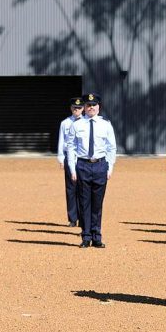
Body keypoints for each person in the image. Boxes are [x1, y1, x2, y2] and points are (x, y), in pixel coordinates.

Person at [66, 93, 117, 249]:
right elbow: (71, 147)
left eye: (94, 105)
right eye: (88, 106)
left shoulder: (106, 124)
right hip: (83, 165)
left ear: (98, 107)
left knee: (97, 203)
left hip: (100, 165)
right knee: (84, 202)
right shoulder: (77, 125)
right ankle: (86, 236)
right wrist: (72, 168)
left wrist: (110, 167)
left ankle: (97, 236)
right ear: (84, 108)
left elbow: (111, 147)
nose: (91, 108)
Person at [57, 97, 84, 227]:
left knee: (83, 188)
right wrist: (61, 158)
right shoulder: (65, 123)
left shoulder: (87, 122)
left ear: (83, 109)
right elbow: (62, 141)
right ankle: (73, 218)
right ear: (71, 108)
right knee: (71, 188)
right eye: (74, 107)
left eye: (79, 108)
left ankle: (84, 217)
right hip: (70, 157)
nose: (76, 110)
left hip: (83, 158)